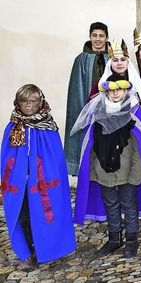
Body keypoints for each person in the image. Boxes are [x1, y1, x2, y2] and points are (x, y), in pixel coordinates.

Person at [72, 74, 141, 258]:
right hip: (103, 171)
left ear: (125, 90)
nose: (115, 93)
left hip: (127, 172)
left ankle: (132, 239)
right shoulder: (97, 111)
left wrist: (137, 174)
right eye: (111, 90)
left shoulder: (134, 111)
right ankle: (114, 239)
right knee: (111, 205)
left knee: (129, 205)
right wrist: (93, 171)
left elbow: (140, 147)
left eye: (119, 89)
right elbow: (90, 145)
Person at [2, 85, 76, 269]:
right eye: (24, 101)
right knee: (23, 216)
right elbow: (7, 155)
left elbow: (54, 157)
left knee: (45, 215)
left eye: (32, 101)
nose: (28, 105)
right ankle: (27, 253)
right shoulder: (13, 125)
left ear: (40, 102)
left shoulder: (48, 126)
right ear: (17, 103)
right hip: (20, 183)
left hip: (43, 183)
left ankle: (49, 249)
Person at [65, 22, 111, 175]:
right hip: (89, 109)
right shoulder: (81, 60)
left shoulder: (113, 57)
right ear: (90, 36)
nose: (98, 39)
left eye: (101, 36)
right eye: (94, 35)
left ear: (107, 37)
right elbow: (76, 90)